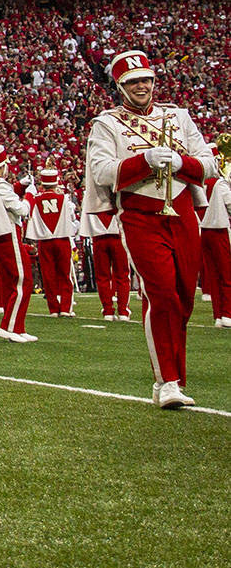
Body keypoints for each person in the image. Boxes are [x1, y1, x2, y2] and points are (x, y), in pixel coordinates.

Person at [83, 48, 218, 408]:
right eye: (133, 82)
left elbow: (209, 164)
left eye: (146, 80)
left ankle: (171, 379)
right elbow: (102, 171)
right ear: (119, 86)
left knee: (185, 296)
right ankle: (168, 380)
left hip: (184, 213)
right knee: (161, 295)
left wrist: (182, 162)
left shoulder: (179, 117)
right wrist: (143, 161)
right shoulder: (107, 124)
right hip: (141, 216)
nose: (141, 87)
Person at [0, 145, 35, 343]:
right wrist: (30, 196)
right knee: (23, 281)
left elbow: (1, 200)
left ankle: (17, 326)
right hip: (8, 235)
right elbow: (20, 210)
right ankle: (10, 326)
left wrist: (20, 186)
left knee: (14, 283)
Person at [26, 168, 78, 317]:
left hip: (44, 241)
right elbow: (72, 218)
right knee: (65, 274)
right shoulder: (65, 199)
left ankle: (53, 309)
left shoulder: (36, 199)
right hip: (62, 239)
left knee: (48, 275)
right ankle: (66, 308)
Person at [83, 201, 131, 322]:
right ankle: (123, 311)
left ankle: (108, 311)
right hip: (117, 234)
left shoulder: (91, 195)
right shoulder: (115, 190)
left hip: (98, 236)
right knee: (122, 275)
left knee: (102, 277)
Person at [201, 165, 230, 329]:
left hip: (204, 229)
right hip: (220, 229)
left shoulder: (205, 182)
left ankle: (218, 315)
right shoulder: (222, 184)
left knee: (214, 274)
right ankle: (227, 313)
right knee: (226, 274)